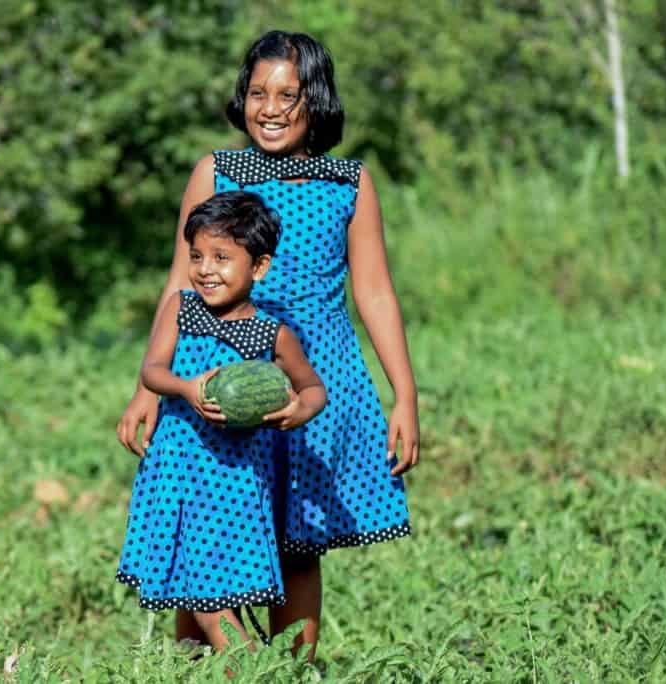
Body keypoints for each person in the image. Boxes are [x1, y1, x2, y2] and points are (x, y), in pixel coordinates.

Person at [116, 30, 420, 661]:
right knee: (206, 529)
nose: (272, 106)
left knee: (296, 544)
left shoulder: (350, 184)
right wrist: (148, 388)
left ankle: (291, 672)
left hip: (313, 382)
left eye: (289, 93)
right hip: (213, 378)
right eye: (259, 92)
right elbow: (180, 282)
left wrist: (405, 396)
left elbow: (376, 294)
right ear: (242, 98)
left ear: (318, 101)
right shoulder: (216, 172)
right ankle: (200, 668)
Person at [116, 190, 327, 652]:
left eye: (221, 257)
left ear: (260, 266)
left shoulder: (273, 333)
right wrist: (187, 388)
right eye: (196, 256)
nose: (205, 268)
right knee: (195, 589)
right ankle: (212, 668)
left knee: (210, 598)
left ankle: (252, 670)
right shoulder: (181, 308)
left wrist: (299, 410)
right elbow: (152, 370)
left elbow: (313, 389)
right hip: (176, 471)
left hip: (232, 483)